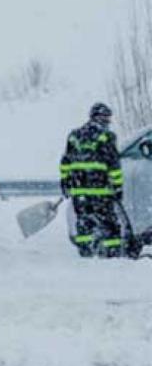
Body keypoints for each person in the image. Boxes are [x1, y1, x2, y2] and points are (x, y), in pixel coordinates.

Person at [59, 103, 124, 258]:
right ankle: (112, 254)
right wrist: (118, 187)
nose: (108, 121)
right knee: (109, 224)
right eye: (106, 118)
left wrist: (65, 182)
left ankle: (86, 252)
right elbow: (114, 165)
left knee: (84, 222)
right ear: (99, 117)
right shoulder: (107, 136)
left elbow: (65, 162)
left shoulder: (74, 135)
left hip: (79, 191)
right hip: (101, 191)